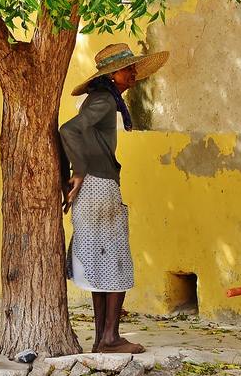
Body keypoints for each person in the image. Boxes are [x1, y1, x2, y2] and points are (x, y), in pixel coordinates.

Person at [59, 43, 168, 354]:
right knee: (116, 264)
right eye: (127, 68)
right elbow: (69, 130)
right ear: (112, 74)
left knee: (100, 265)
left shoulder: (102, 99)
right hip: (99, 187)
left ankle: (102, 339)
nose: (133, 72)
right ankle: (110, 338)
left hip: (93, 189)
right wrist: (79, 169)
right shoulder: (105, 101)